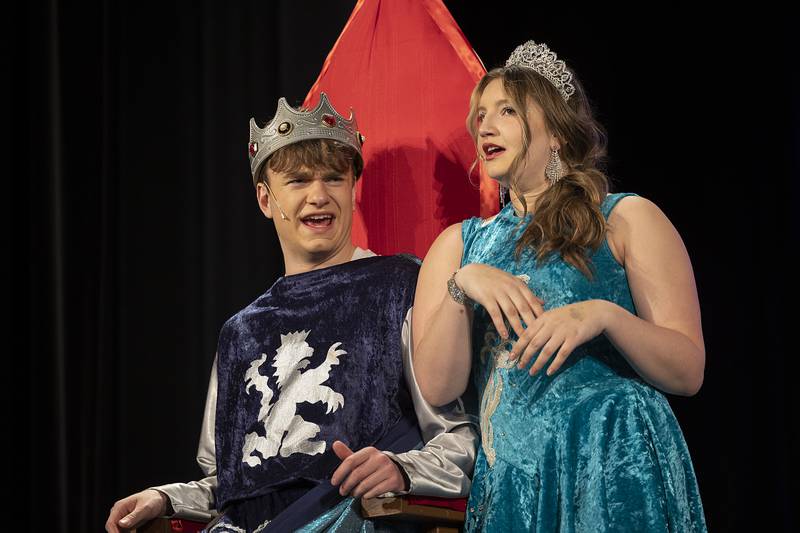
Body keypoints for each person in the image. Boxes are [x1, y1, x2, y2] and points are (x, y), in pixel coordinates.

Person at [106, 94, 478, 533]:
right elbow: (228, 485)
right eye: (299, 181)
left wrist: (402, 470)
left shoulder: (400, 285)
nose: (319, 196)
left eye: (334, 178)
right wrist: (165, 498)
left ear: (352, 188)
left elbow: (461, 437)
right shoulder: (242, 331)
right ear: (266, 199)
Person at [411, 41, 707, 531]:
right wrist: (463, 284)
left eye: (507, 110)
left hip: (613, 461)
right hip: (514, 483)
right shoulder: (457, 248)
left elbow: (687, 371)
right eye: (481, 115)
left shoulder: (626, 218)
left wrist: (603, 315)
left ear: (555, 132)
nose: (485, 125)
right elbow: (439, 387)